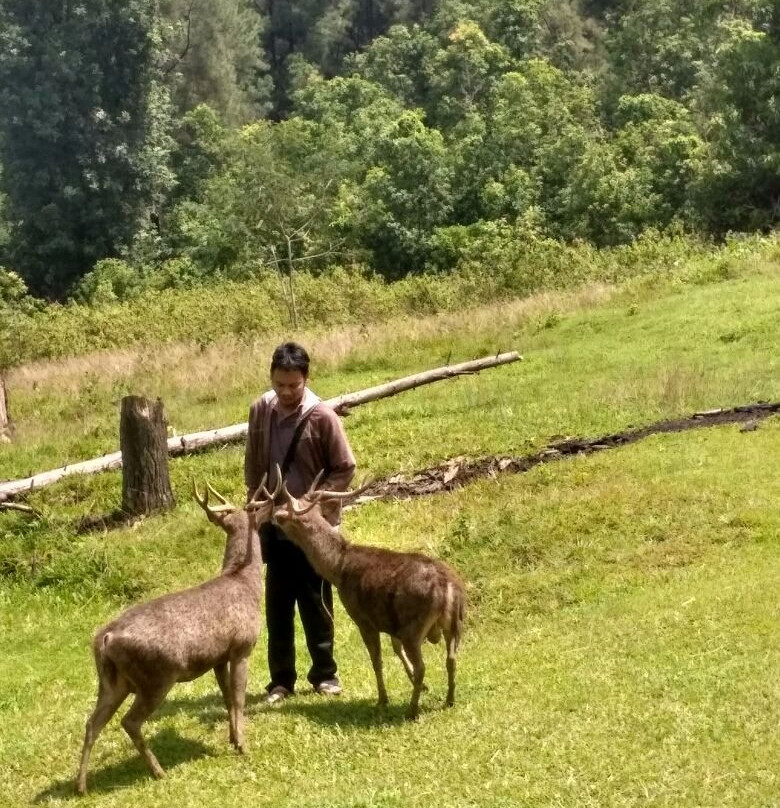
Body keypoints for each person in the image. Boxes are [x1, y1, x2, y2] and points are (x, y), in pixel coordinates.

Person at [244, 341, 356, 703]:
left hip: (311, 528)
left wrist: (311, 503)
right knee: (277, 603)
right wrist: (254, 502)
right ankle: (280, 680)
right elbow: (253, 462)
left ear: (306, 378)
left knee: (315, 601)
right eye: (280, 385)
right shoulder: (261, 410)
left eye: (294, 385)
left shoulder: (322, 416)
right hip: (275, 523)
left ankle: (324, 674)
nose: (287, 392)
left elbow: (345, 468)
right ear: (271, 380)